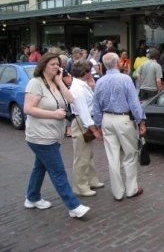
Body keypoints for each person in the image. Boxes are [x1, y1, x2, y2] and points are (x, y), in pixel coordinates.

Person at [23, 52, 90, 218]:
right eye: (52, 64)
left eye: (58, 64)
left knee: (40, 167)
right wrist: (53, 114)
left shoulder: (55, 82)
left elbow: (71, 100)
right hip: (40, 137)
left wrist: (60, 81)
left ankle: (32, 197)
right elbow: (28, 109)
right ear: (43, 65)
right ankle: (74, 206)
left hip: (53, 135)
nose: (56, 67)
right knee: (58, 171)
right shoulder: (35, 83)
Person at [93, 52, 147, 201]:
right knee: (130, 154)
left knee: (112, 157)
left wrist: (98, 125)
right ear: (118, 63)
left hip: (106, 119)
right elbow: (134, 103)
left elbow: (96, 106)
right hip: (123, 119)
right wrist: (141, 120)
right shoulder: (125, 79)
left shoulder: (100, 82)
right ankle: (131, 189)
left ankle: (117, 192)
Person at [69, 59, 104, 197]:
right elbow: (83, 110)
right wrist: (94, 130)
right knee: (81, 156)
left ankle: (91, 180)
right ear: (86, 72)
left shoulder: (82, 85)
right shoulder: (77, 88)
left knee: (87, 154)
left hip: (85, 121)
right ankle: (80, 186)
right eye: (90, 71)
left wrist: (93, 86)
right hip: (82, 122)